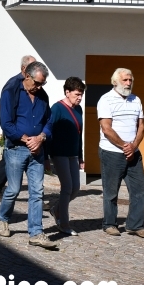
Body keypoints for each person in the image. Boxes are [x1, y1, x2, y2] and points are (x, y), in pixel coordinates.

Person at [0, 61, 57, 250]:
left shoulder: (42, 97)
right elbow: (5, 123)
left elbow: (49, 121)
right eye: (37, 83)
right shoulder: (11, 93)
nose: (39, 87)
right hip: (16, 149)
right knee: (13, 189)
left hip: (37, 150)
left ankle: (36, 232)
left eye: (42, 84)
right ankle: (3, 217)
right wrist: (25, 139)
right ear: (27, 76)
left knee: (37, 192)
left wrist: (40, 138)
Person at [97, 68, 144, 239]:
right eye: (125, 80)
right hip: (112, 152)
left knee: (139, 190)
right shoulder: (106, 100)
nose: (128, 83)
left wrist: (133, 145)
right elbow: (106, 128)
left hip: (133, 153)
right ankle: (110, 224)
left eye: (130, 80)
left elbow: (141, 126)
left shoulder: (136, 100)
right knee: (111, 191)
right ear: (115, 82)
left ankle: (135, 225)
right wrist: (123, 146)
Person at [0, 55, 37, 202]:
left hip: (22, 128)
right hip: (13, 127)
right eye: (32, 67)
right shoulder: (13, 84)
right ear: (23, 69)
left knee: (9, 157)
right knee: (9, 156)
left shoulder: (30, 84)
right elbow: (0, 106)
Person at [47, 77, 86, 236]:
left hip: (73, 154)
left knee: (75, 187)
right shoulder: (57, 108)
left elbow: (79, 133)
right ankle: (64, 223)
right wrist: (46, 156)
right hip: (59, 153)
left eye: (81, 94)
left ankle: (56, 210)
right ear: (67, 92)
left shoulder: (79, 109)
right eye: (77, 94)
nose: (80, 97)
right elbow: (48, 130)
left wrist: (80, 155)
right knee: (67, 187)